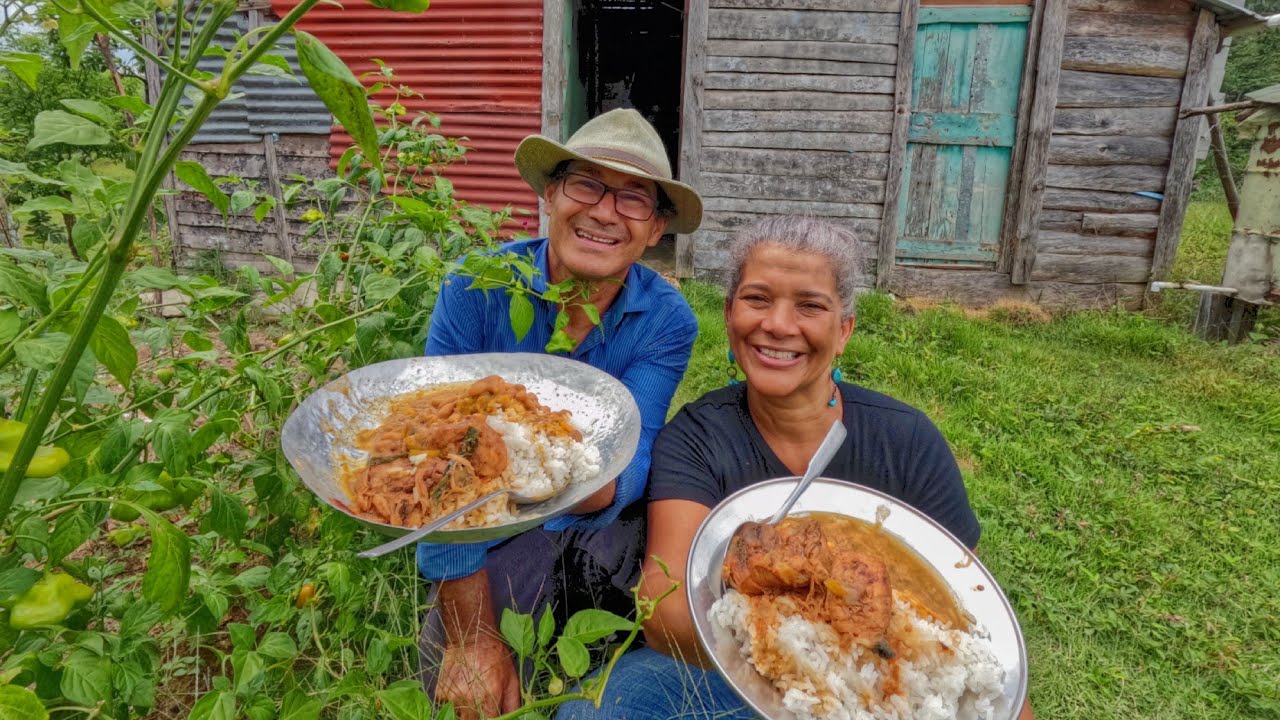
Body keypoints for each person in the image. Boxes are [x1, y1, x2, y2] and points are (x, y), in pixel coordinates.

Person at [558, 216, 1033, 720]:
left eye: (810, 305)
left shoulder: (907, 440)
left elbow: (966, 618)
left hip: (891, 680)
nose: (779, 325)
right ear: (729, 315)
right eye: (758, 299)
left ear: (844, 330)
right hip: (734, 665)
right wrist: (799, 662)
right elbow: (663, 608)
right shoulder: (697, 437)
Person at [416, 108, 703, 720]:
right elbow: (438, 468)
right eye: (585, 184)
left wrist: (560, 475)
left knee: (604, 651)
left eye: (633, 198)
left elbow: (633, 455)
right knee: (449, 667)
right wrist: (471, 636)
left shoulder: (665, 320)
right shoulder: (476, 289)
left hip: (595, 520)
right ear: (550, 194)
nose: (604, 212)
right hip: (479, 525)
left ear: (656, 227)